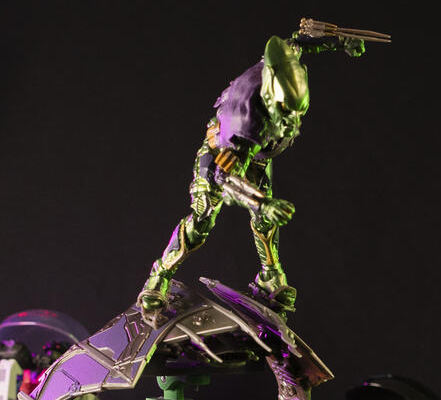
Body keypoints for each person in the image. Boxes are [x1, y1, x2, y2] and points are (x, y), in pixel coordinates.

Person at [136, 26, 370, 322]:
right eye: (285, 113)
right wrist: (261, 203)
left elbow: (299, 41)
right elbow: (224, 178)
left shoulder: (285, 65)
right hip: (221, 152)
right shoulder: (246, 118)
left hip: (257, 154)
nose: (292, 124)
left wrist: (341, 40)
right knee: (202, 218)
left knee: (266, 220)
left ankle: (270, 277)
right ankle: (158, 277)